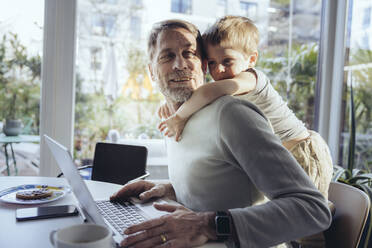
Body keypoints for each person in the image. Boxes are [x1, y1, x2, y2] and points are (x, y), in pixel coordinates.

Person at [110, 19, 331, 248]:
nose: (180, 64)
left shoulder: (231, 114)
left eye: (190, 53)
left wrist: (207, 224)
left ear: (203, 65)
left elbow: (312, 209)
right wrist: (168, 189)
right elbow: (222, 184)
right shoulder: (173, 121)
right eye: (167, 56)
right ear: (151, 72)